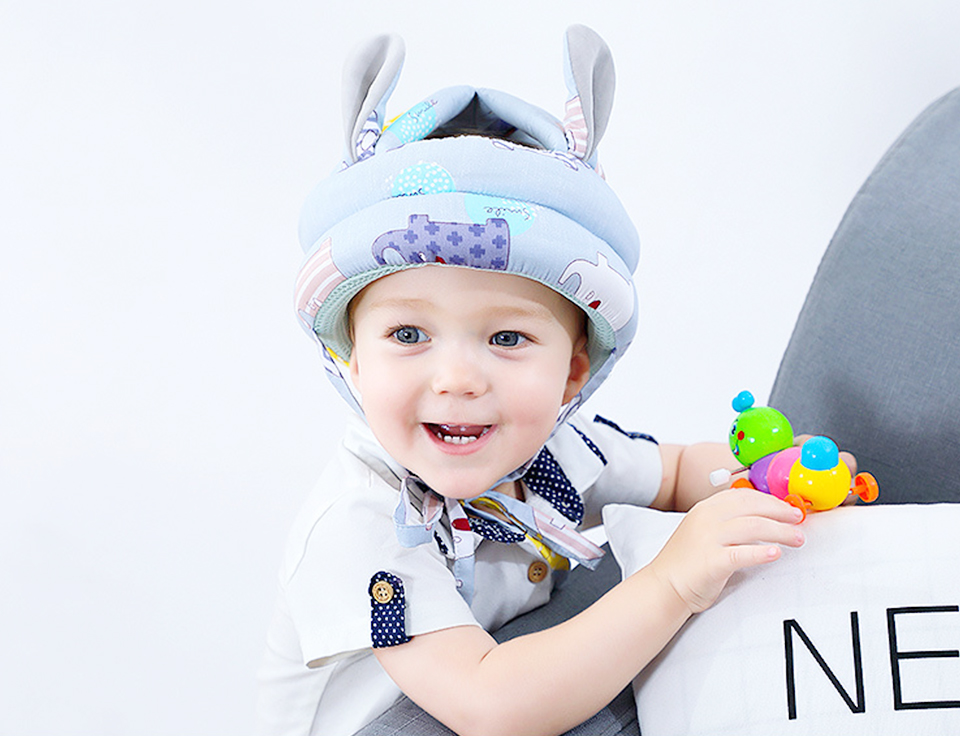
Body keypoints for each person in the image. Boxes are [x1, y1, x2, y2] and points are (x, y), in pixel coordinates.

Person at [257, 27, 807, 736]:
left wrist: (771, 483)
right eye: (409, 335)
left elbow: (675, 473)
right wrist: (673, 579)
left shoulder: (554, 457)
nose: (457, 379)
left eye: (507, 338)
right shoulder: (362, 527)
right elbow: (491, 704)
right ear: (353, 361)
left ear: (573, 370)